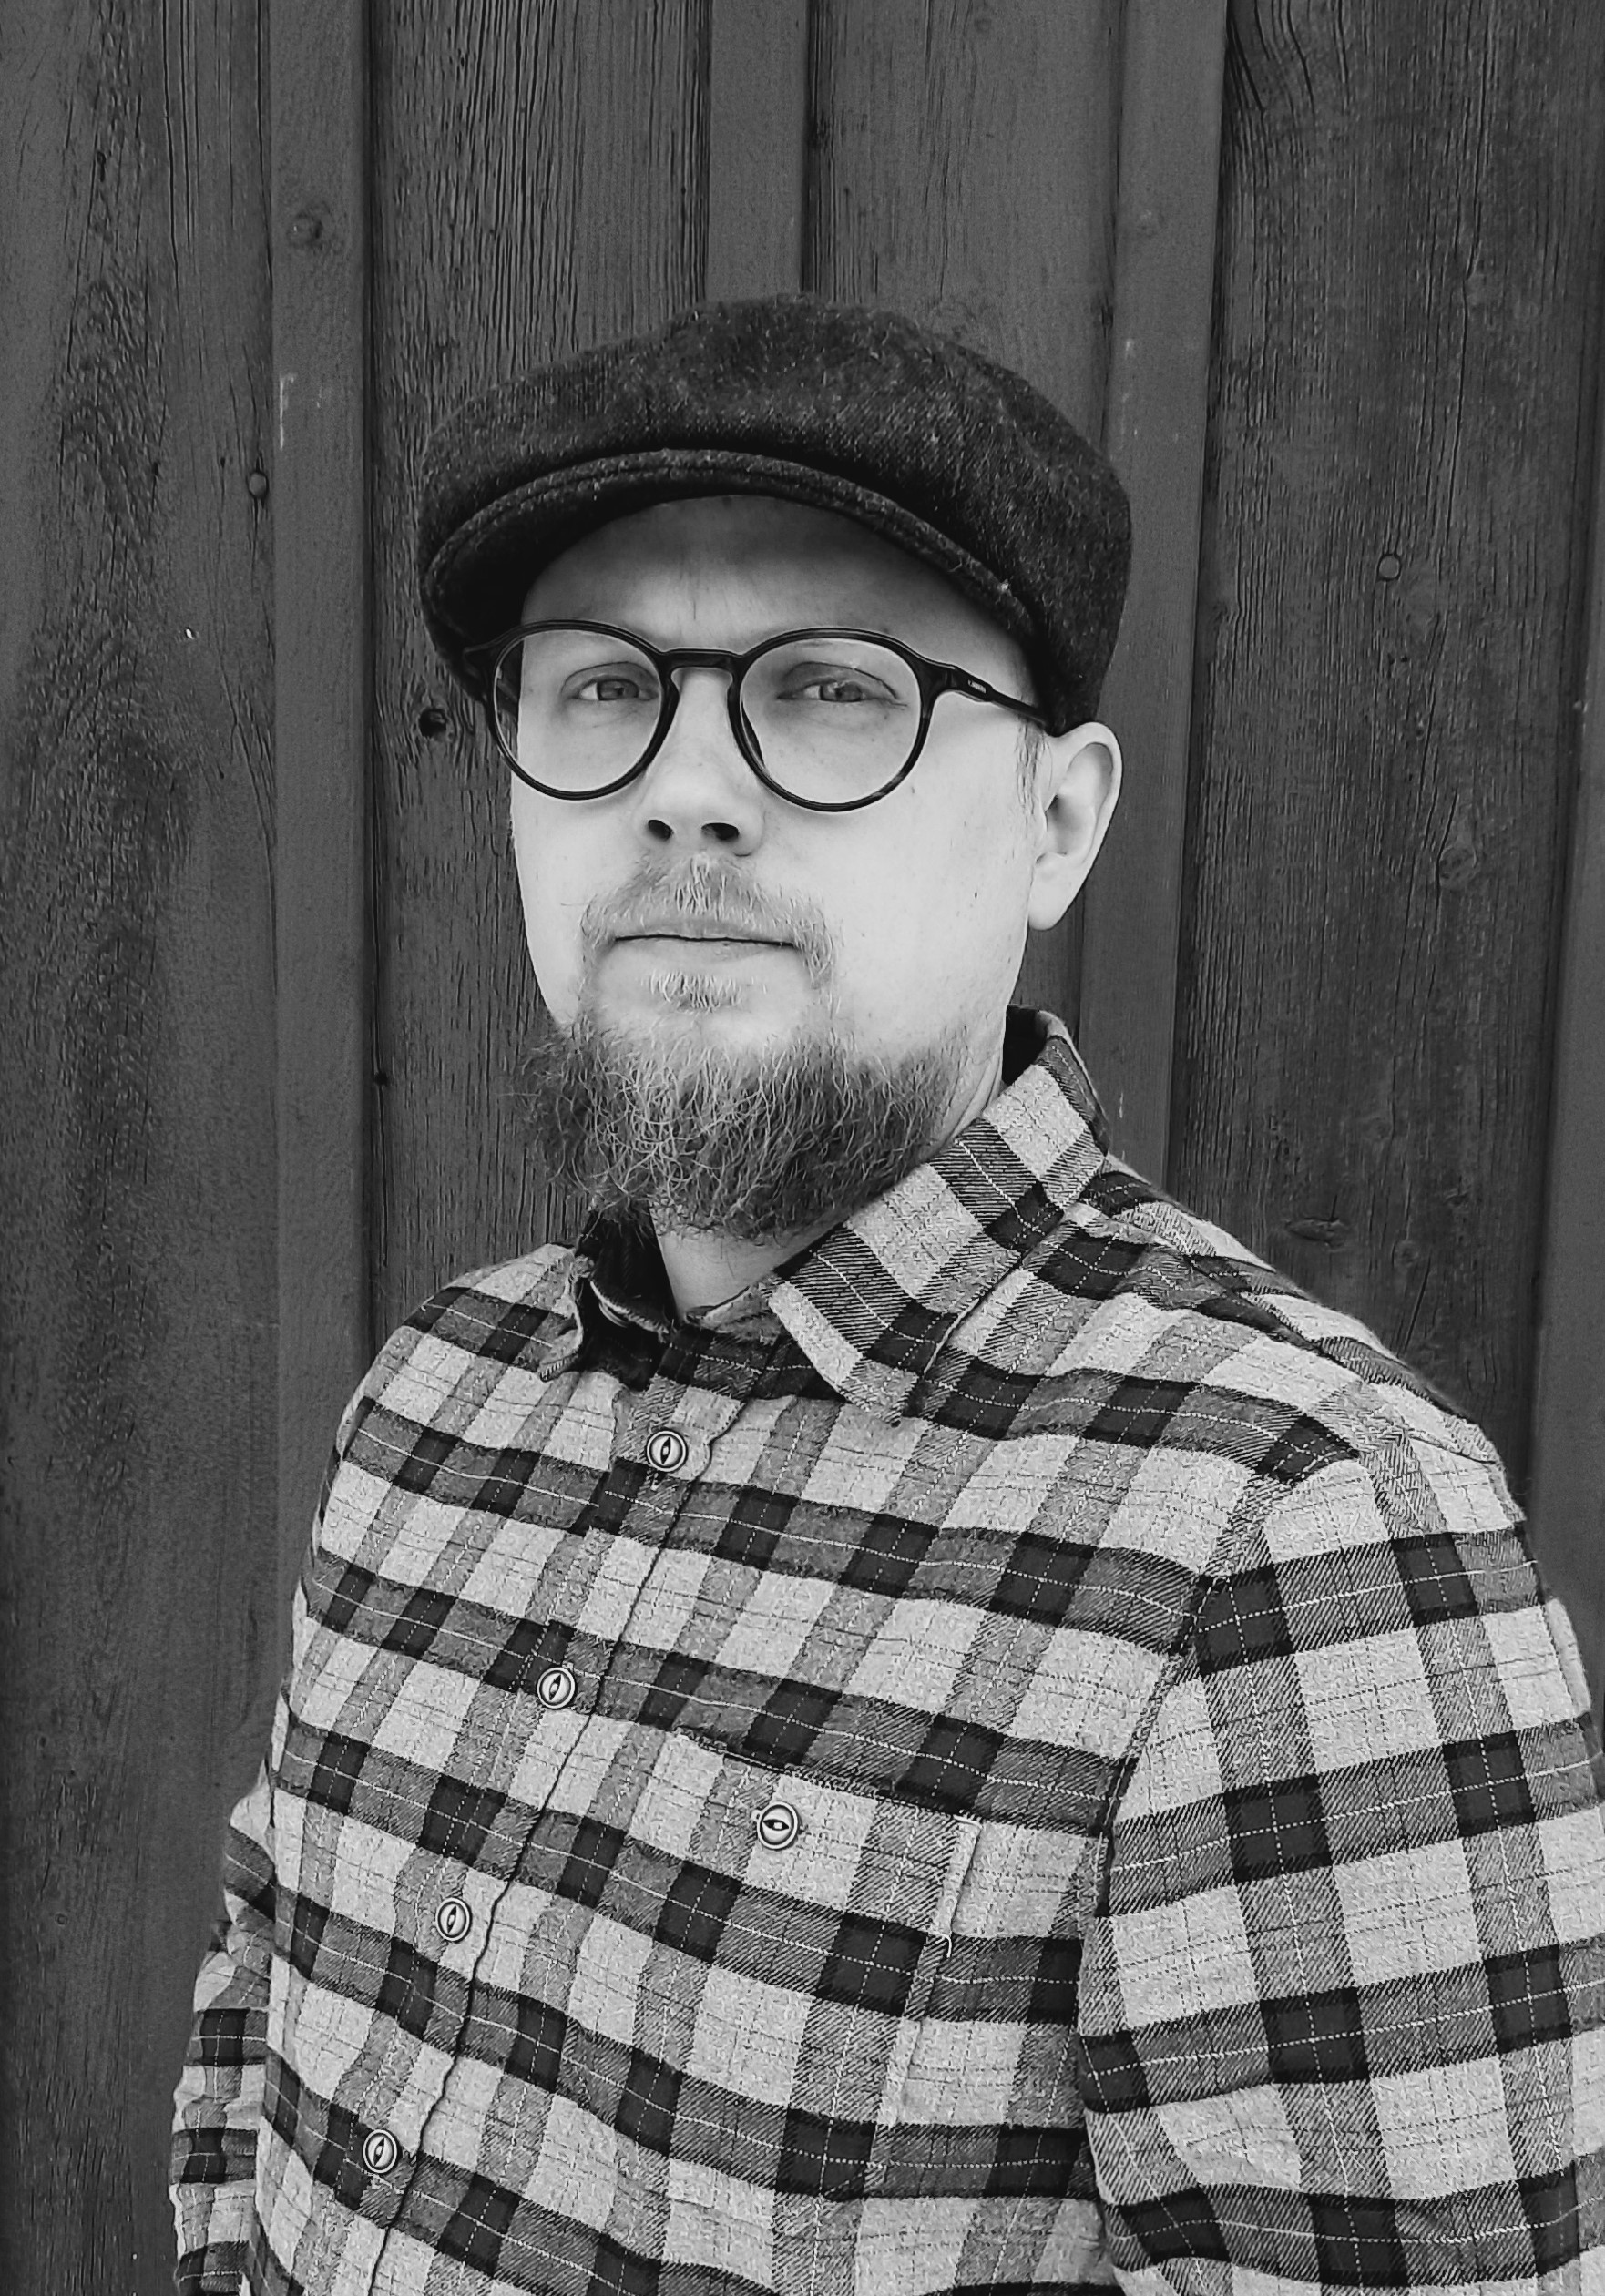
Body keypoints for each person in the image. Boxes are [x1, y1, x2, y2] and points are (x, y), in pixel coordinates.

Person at [171, 297, 1605, 2296]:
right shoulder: (435, 1399)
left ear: (1054, 823)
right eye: (601, 688)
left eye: (832, 688)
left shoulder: (1295, 1540)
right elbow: (263, 2000)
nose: (684, 788)